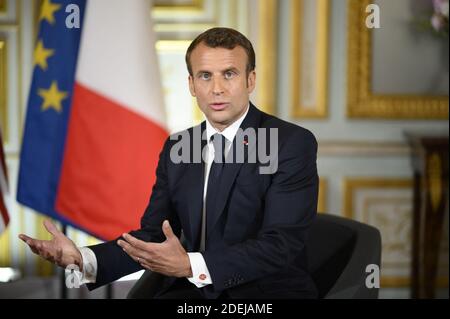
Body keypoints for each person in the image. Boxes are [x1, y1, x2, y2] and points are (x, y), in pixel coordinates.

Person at [19, 27, 319, 299]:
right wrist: (83, 258)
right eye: (205, 76)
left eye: (229, 74)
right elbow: (153, 236)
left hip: (263, 293)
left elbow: (279, 245)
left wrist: (190, 265)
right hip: (191, 288)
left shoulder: (290, 143)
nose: (217, 88)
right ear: (191, 84)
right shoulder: (179, 146)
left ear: (250, 80)